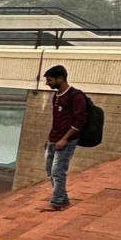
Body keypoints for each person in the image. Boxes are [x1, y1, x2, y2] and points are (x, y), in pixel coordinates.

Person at [41, 64, 88, 212]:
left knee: (58, 172)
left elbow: (80, 120)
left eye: (50, 80)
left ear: (60, 78)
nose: (47, 83)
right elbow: (57, 120)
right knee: (50, 171)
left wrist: (64, 139)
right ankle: (63, 199)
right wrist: (50, 139)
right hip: (53, 139)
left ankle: (57, 202)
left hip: (66, 141)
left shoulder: (76, 96)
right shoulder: (56, 96)